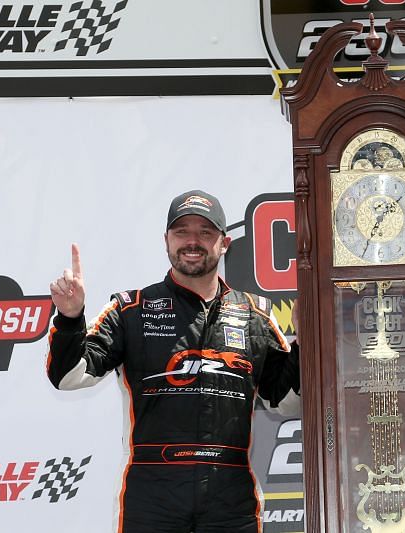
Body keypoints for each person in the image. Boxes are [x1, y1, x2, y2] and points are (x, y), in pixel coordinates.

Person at [47, 190, 300, 533]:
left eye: (205, 233)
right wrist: (70, 318)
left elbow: (284, 401)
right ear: (165, 240)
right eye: (182, 232)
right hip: (151, 493)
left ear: (224, 243)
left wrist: (305, 343)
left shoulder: (255, 315)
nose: (192, 242)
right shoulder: (130, 309)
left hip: (231, 495)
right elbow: (69, 377)